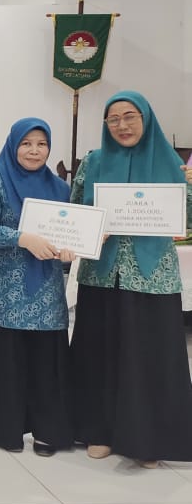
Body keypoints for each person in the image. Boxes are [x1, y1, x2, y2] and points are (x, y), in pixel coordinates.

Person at [70, 91, 192, 467]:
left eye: (130, 117)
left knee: (149, 358)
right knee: (100, 353)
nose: (122, 125)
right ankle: (99, 431)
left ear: (146, 119)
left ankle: (148, 441)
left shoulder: (172, 163)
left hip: (153, 276)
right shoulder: (93, 162)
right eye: (114, 119)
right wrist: (91, 226)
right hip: (101, 274)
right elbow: (74, 210)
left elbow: (187, 215)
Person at [0, 118, 75, 457]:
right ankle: (7, 431)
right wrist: (21, 238)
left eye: (41, 144)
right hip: (4, 291)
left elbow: (71, 230)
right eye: (26, 143)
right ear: (13, 145)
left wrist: (72, 248)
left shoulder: (59, 188)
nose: (34, 151)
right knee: (7, 364)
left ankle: (48, 433)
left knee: (47, 364)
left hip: (45, 290)